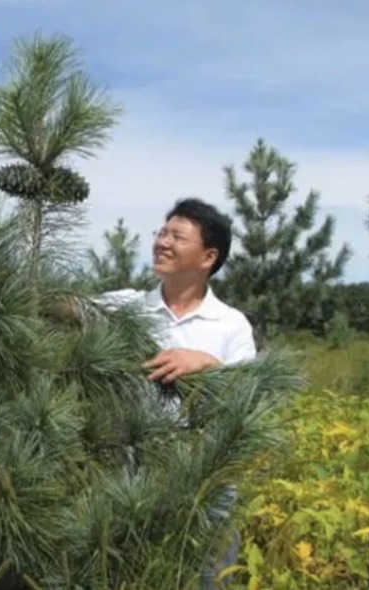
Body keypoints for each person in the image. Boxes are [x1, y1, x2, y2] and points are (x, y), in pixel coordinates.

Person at [95, 197, 257, 588]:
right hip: (131, 484)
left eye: (177, 236)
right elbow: (58, 310)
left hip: (206, 490)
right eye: (161, 232)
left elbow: (248, 402)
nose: (162, 242)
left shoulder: (230, 325)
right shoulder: (124, 308)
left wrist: (206, 365)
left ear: (208, 256)